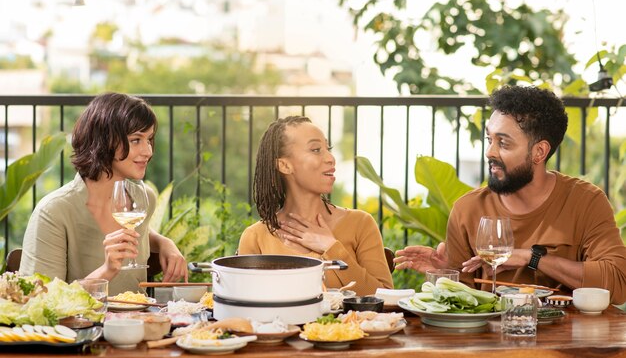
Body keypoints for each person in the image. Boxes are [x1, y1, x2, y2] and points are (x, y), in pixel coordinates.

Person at [394, 85, 626, 303]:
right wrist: (444, 276)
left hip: (569, 340)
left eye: (503, 143)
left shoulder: (585, 202)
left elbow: (618, 283)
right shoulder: (468, 209)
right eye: (489, 139)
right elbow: (458, 307)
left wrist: (532, 258)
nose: (489, 152)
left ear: (539, 152)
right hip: (491, 342)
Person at [20, 92, 187, 295]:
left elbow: (137, 233)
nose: (148, 151)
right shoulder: (54, 212)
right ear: (104, 140)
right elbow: (38, 299)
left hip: (139, 324)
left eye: (149, 139)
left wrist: (163, 243)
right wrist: (106, 271)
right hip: (83, 327)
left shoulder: (142, 200)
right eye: (136, 140)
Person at [238, 115, 393, 296]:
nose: (330, 158)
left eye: (328, 149)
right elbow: (245, 305)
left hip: (350, 325)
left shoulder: (361, 223)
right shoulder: (256, 237)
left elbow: (386, 299)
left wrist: (332, 248)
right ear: (284, 165)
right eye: (316, 150)